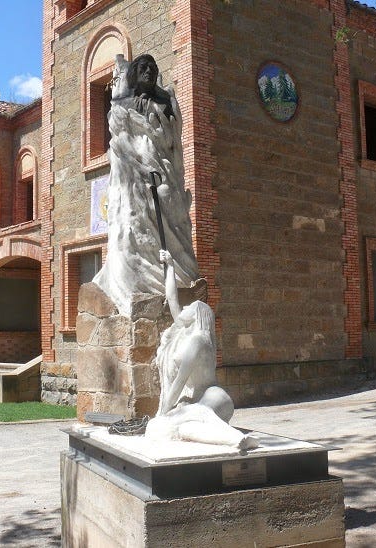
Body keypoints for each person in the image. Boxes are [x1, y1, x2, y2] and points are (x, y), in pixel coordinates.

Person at [92, 54, 198, 316]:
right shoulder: (122, 103)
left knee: (171, 220)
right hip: (134, 183)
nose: (149, 71)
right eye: (143, 67)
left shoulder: (165, 100)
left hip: (166, 177)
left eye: (153, 67)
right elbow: (119, 141)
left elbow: (173, 133)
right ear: (133, 74)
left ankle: (176, 273)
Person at [146, 250, 259, 451]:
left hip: (214, 398)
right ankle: (236, 440)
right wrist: (170, 266)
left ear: (197, 314)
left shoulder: (198, 341)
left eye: (188, 308)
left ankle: (235, 438)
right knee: (184, 429)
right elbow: (172, 300)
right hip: (200, 400)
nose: (183, 310)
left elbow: (180, 381)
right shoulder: (194, 335)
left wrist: (163, 413)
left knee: (166, 425)